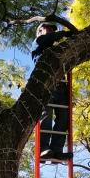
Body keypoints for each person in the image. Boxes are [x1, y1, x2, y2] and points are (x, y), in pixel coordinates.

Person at [31, 22, 73, 162]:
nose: (50, 31)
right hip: (46, 83)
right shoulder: (38, 42)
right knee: (46, 117)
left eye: (52, 29)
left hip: (60, 86)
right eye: (47, 28)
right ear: (40, 31)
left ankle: (57, 150)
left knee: (64, 118)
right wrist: (64, 33)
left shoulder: (57, 50)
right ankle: (43, 149)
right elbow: (47, 40)